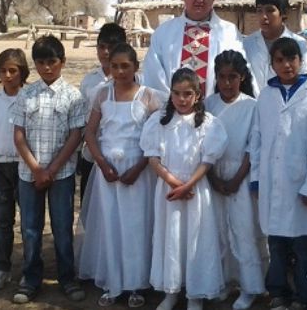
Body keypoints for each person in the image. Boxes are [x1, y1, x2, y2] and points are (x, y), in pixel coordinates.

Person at [78, 43, 165, 308]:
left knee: (136, 226)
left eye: (125, 65)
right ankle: (112, 282)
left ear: (136, 67)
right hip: (109, 174)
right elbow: (90, 133)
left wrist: (139, 166)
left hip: (138, 172)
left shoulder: (149, 97)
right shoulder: (102, 95)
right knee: (110, 225)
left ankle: (136, 284)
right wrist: (102, 164)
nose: (119, 71)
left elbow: (156, 137)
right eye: (115, 66)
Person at [140, 68, 229, 310]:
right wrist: (173, 183)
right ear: (171, 94)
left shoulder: (208, 124)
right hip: (169, 191)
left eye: (187, 94)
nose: (182, 99)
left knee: (195, 240)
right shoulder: (159, 121)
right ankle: (171, 290)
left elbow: (207, 160)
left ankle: (194, 294)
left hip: (196, 192)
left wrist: (188, 184)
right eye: (177, 93)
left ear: (198, 95)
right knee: (170, 239)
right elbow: (153, 159)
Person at [10, 35, 88, 304]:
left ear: (62, 62)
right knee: (30, 228)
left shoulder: (73, 96)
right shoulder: (26, 94)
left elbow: (76, 135)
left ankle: (68, 278)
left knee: (62, 227)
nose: (46, 68)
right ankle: (30, 279)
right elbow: (18, 134)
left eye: (52, 62)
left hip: (62, 175)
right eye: (41, 62)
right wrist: (35, 168)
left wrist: (52, 170)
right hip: (28, 174)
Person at [249, 37, 307, 310]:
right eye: (279, 60)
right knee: (277, 243)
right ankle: (278, 291)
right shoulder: (266, 96)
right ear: (272, 64)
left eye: (291, 59)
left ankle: (303, 296)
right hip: (272, 182)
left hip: (301, 185)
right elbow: (256, 139)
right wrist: (256, 177)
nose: (286, 65)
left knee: (303, 245)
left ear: (300, 61)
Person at [142, 0, 251, 98]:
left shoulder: (229, 32)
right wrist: (174, 106)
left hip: (217, 113)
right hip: (173, 113)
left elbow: (239, 72)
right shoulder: (163, 33)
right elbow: (154, 76)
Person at [204, 50, 265, 310]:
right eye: (222, 77)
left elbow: (254, 146)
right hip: (213, 174)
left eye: (233, 77)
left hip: (241, 173)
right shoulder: (208, 104)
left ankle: (249, 286)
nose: (227, 83)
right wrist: (214, 178)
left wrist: (237, 178)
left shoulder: (252, 106)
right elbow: (201, 143)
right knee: (218, 230)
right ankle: (225, 279)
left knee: (243, 230)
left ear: (242, 78)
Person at [0, 48, 30, 291]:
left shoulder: (29, 97)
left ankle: (29, 270)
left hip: (23, 165)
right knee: (3, 220)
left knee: (28, 223)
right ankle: (1, 269)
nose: (8, 75)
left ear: (22, 72)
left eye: (13, 70)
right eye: (3, 70)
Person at [78, 23, 132, 203]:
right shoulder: (89, 81)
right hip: (93, 157)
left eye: (112, 47)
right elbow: (83, 120)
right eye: (102, 47)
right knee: (91, 209)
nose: (106, 52)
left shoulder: (138, 81)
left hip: (125, 157)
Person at [243, 0, 307, 93]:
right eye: (259, 10)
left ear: (283, 13)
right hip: (253, 107)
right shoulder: (247, 44)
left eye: (270, 10)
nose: (264, 16)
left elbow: (305, 79)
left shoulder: (298, 43)